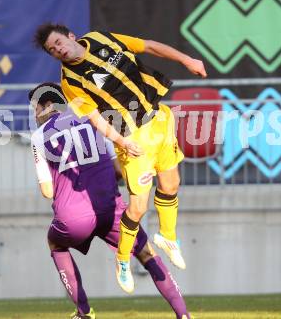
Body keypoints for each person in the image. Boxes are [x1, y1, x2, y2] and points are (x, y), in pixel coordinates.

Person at [34, 24, 207, 293]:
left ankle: (168, 237)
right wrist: (122, 141)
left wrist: (187, 59)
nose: (57, 50)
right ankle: (123, 258)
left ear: (70, 36)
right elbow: (94, 118)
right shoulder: (70, 82)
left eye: (58, 42)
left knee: (171, 185)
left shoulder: (100, 38)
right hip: (131, 136)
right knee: (138, 208)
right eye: (51, 50)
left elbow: (148, 45)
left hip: (159, 118)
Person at [29, 82, 191, 319]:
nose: (35, 114)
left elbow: (47, 191)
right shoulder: (95, 121)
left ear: (48, 105)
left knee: (56, 243)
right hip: (110, 209)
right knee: (147, 253)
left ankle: (84, 312)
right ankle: (183, 314)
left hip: (72, 216)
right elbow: (117, 167)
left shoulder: (39, 136)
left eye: (35, 108)